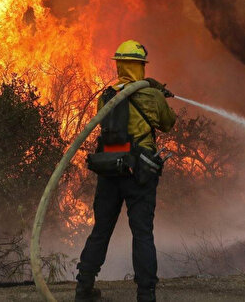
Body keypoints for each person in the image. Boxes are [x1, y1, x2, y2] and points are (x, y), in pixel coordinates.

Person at [76, 40, 177, 302]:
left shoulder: (107, 97)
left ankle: (83, 289)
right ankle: (146, 295)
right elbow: (168, 124)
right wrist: (159, 96)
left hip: (110, 170)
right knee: (142, 232)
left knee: (101, 229)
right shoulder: (152, 96)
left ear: (119, 65)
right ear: (141, 67)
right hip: (139, 173)